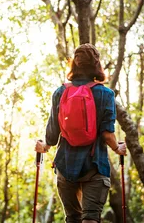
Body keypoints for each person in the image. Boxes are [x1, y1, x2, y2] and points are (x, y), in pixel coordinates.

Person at [35, 43, 127, 223]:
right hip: (95, 165)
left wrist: (44, 146)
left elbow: (52, 134)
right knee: (91, 219)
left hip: (65, 165)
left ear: (74, 65)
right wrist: (118, 148)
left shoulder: (60, 92)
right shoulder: (106, 94)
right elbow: (107, 135)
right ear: (97, 65)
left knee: (72, 218)